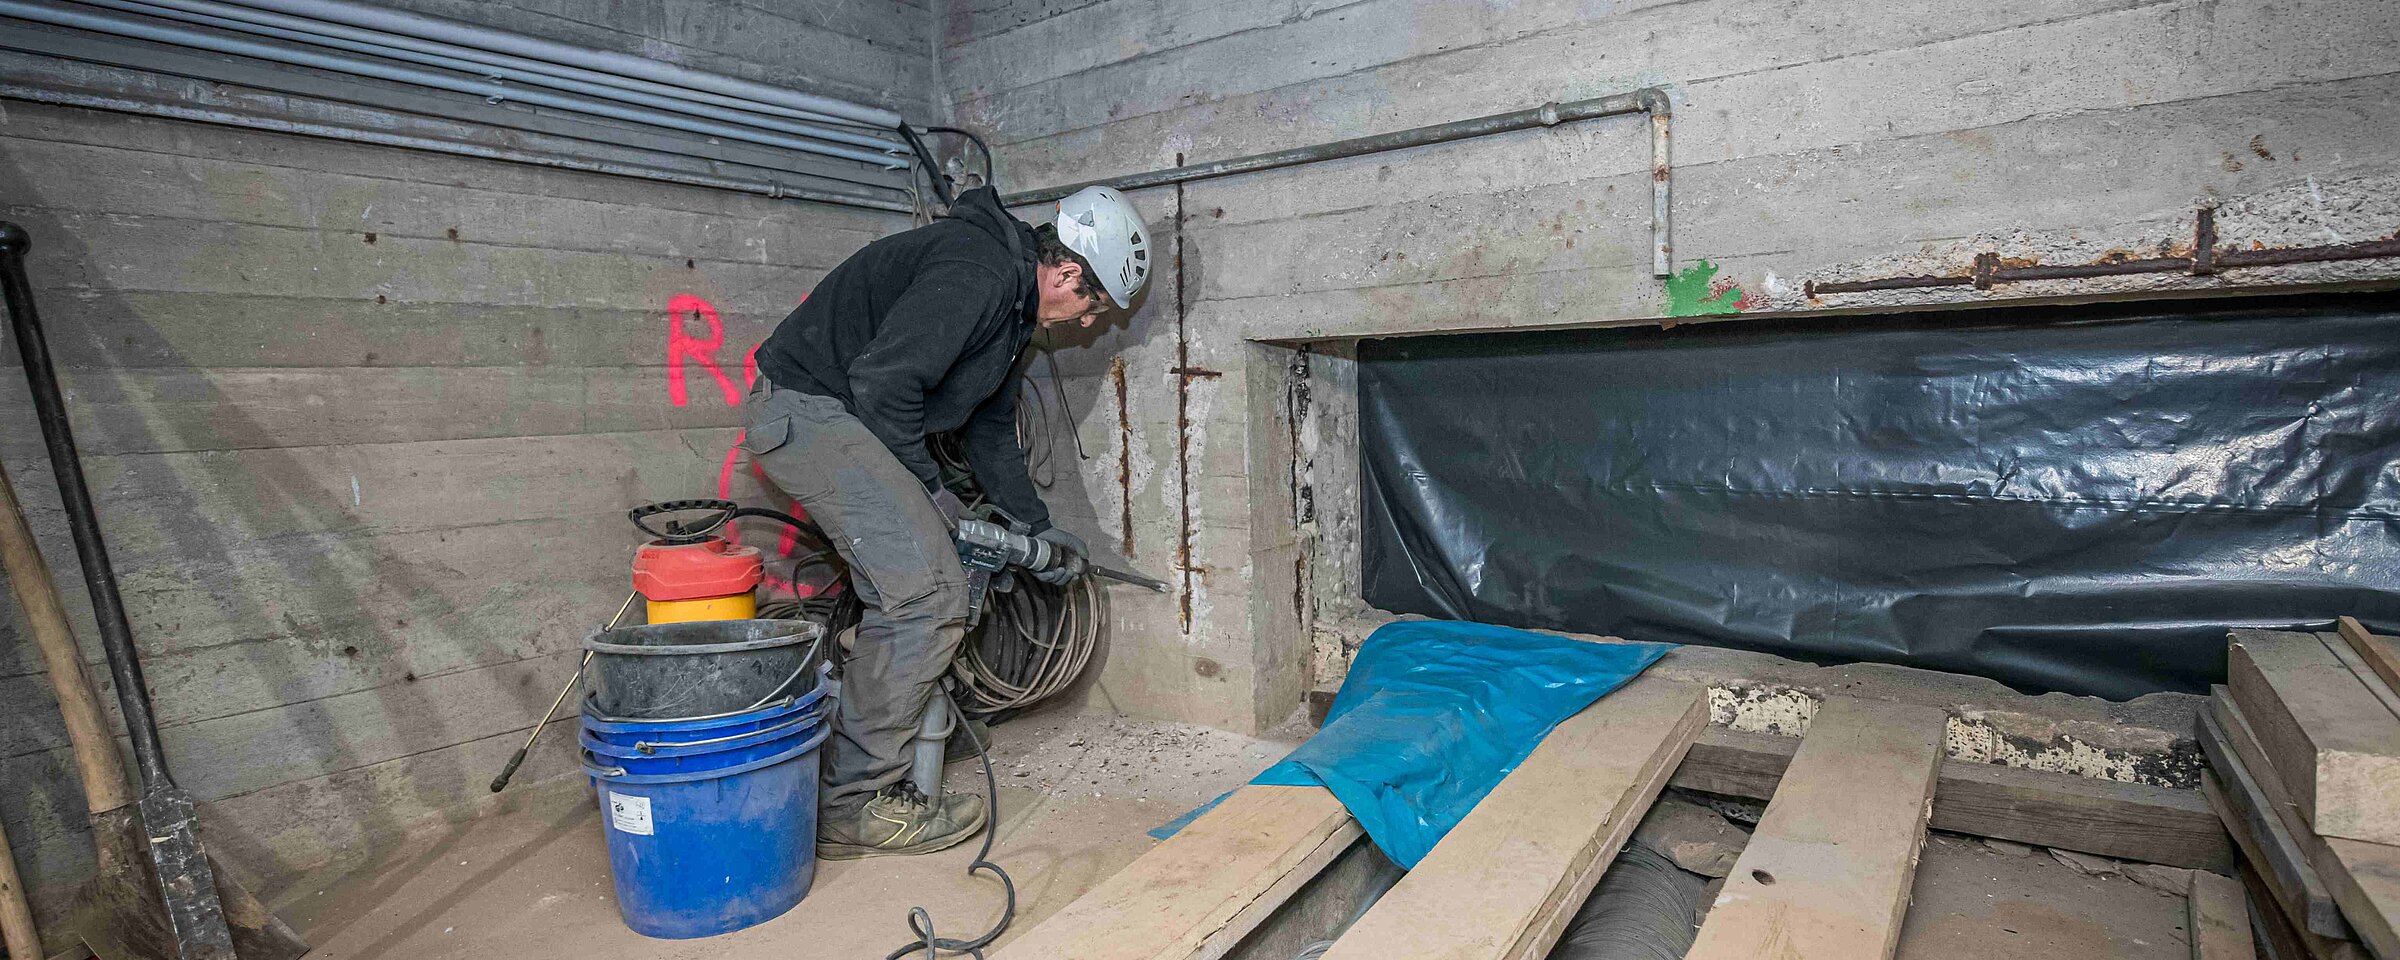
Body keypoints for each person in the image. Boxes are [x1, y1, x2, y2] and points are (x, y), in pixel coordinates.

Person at [743, 183, 1152, 858]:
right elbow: (885, 382)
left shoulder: (1015, 313)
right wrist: (936, 497)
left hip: (844, 416)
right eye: (1092, 306)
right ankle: (855, 801)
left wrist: (1035, 527)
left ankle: (892, 731)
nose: (1086, 323)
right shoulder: (980, 270)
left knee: (936, 580)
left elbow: (990, 428)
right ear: (1070, 272)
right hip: (808, 411)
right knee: (927, 595)